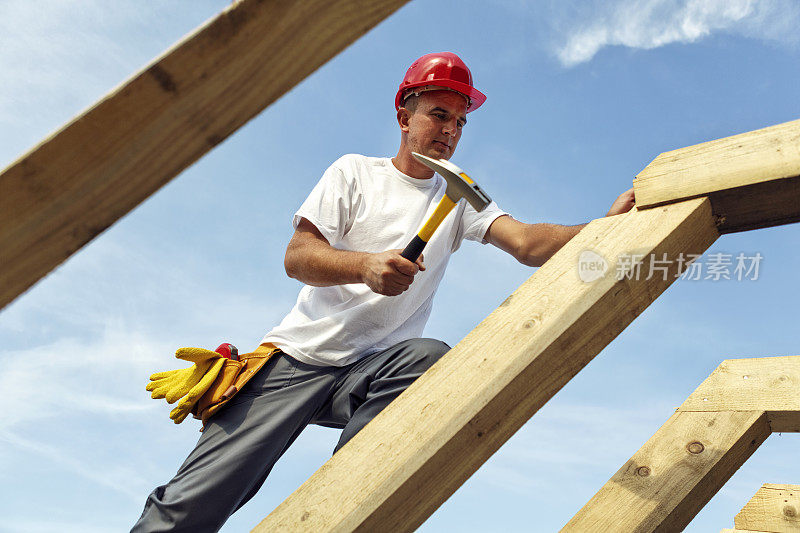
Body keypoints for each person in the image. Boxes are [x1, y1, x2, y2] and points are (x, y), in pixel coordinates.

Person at [131, 51, 635, 532]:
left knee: (428, 358)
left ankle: (336, 505)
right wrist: (365, 267)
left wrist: (605, 227)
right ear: (404, 115)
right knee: (190, 504)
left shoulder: (456, 195)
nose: (450, 132)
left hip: (370, 371)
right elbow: (298, 257)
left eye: (461, 122)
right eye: (439, 115)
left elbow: (528, 243)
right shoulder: (354, 173)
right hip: (297, 360)